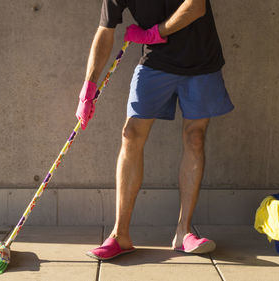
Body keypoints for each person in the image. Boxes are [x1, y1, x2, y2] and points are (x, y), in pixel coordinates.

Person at [76, 0, 234, 260]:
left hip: (202, 61)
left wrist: (156, 32)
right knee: (131, 134)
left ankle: (183, 233)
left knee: (195, 138)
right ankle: (120, 235)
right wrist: (88, 87)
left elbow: (196, 7)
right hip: (155, 62)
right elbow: (105, 29)